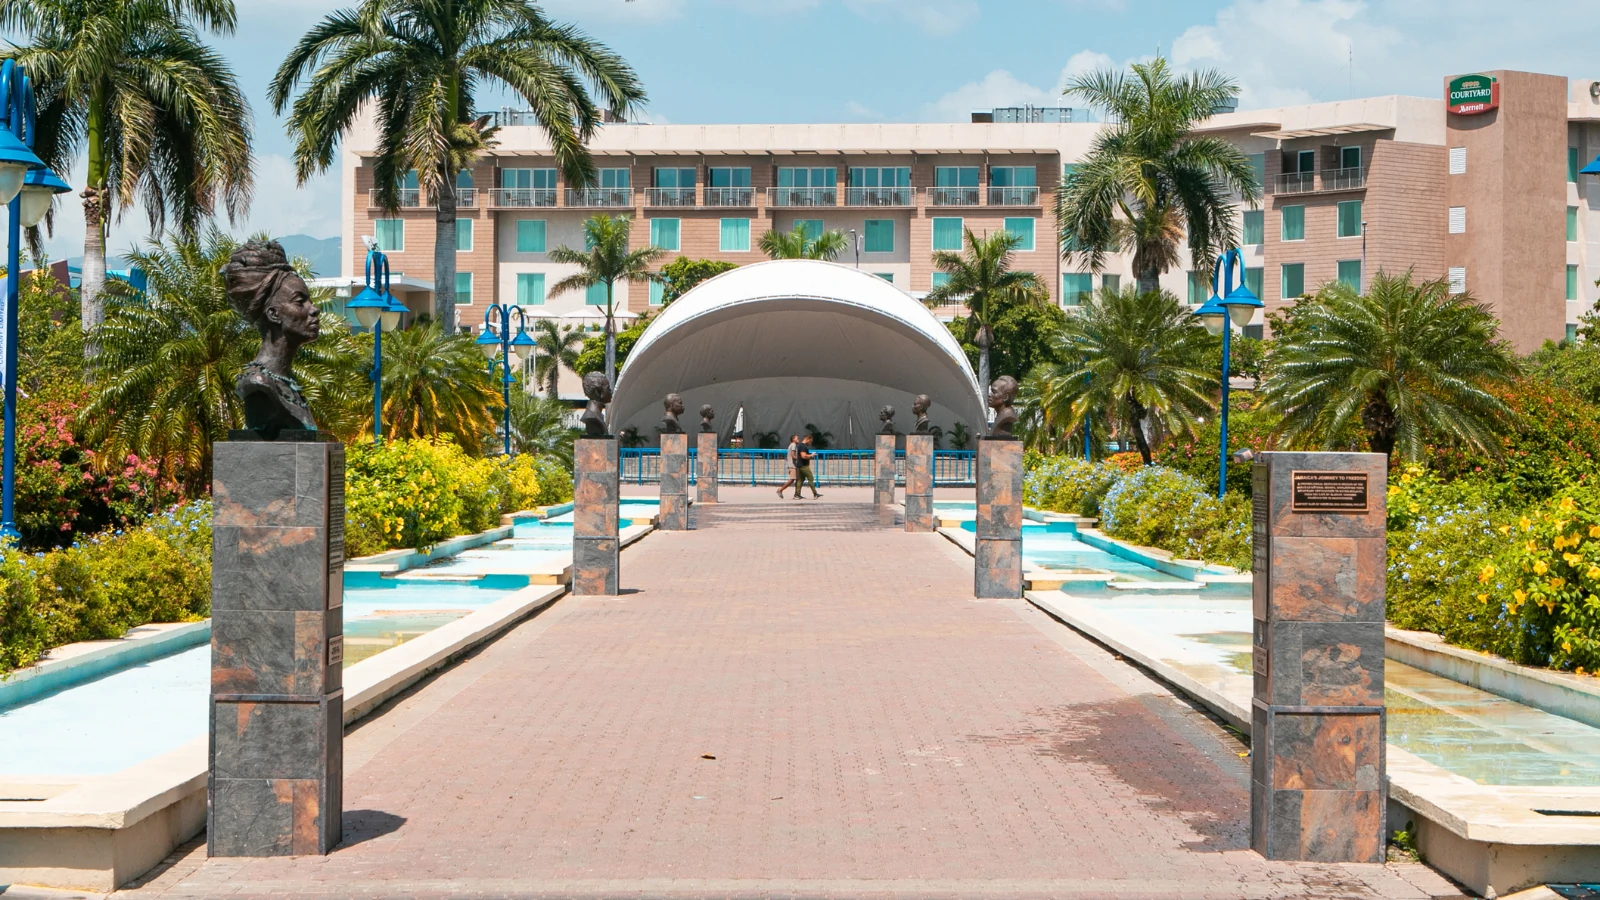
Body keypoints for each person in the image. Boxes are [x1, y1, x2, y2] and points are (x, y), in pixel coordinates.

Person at [794, 434, 822, 499]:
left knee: (800, 480)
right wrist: (811, 455)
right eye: (810, 441)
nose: (810, 443)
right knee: (810, 478)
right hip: (803, 466)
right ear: (807, 439)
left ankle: (797, 494)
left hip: (799, 465)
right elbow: (803, 456)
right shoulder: (803, 446)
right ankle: (815, 494)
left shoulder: (800, 445)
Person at [776, 433, 801, 498]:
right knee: (792, 479)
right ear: (793, 439)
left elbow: (787, 456)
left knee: (797, 479)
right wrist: (800, 459)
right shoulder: (793, 445)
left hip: (792, 464)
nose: (798, 439)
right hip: (792, 465)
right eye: (797, 438)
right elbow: (793, 455)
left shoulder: (791, 445)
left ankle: (797, 494)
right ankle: (780, 490)